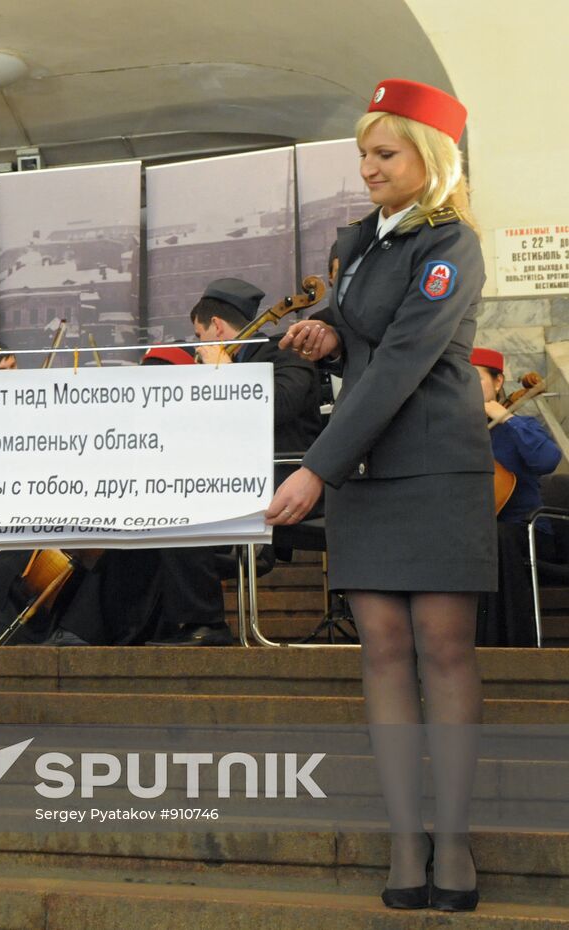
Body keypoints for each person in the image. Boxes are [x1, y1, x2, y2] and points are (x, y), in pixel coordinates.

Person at [274, 79, 490, 911]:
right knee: (384, 653)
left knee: (444, 651)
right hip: (367, 469)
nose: (366, 168)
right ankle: (407, 839)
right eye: (363, 153)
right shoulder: (360, 241)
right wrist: (327, 330)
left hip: (432, 468)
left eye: (383, 153)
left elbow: (404, 363)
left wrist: (315, 468)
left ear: (428, 159)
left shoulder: (451, 245)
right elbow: (358, 339)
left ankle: (456, 841)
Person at [145, 279, 323, 647]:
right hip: (228, 480)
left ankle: (206, 623)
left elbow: (278, 408)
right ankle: (144, 626)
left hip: (283, 481)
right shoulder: (215, 368)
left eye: (199, 334)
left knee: (180, 506)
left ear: (218, 327)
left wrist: (225, 376)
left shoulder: (283, 354)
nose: (197, 345)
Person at [473, 346, 561, 645]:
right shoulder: (455, 432)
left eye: (476, 380)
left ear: (498, 383)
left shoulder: (521, 427)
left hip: (527, 533)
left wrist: (507, 419)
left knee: (496, 537)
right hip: (475, 537)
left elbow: (548, 460)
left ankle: (507, 643)